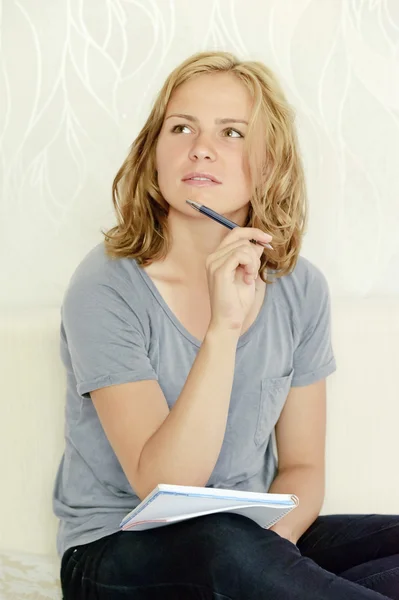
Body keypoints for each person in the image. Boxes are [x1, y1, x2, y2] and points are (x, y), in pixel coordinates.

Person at [54, 51, 399, 600]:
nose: (201, 147)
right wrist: (222, 330)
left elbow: (304, 468)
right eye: (181, 126)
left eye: (232, 132)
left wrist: (275, 558)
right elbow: (164, 486)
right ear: (154, 152)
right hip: (115, 550)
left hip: (248, 537)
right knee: (222, 544)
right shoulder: (104, 285)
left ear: (270, 162)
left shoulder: (300, 287)